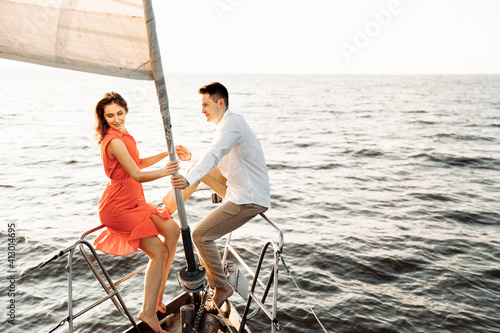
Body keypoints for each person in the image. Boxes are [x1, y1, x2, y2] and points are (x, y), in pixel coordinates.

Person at [169, 82, 270, 312]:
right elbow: (217, 157)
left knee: (200, 235)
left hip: (248, 198)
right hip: (238, 187)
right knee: (195, 169)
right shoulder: (227, 124)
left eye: (205, 104)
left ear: (220, 102)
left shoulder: (232, 123)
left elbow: (215, 154)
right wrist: (192, 157)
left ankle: (221, 287)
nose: (202, 109)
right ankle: (167, 209)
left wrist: (188, 179)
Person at [93, 92, 179, 333]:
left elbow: (137, 162)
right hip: (119, 208)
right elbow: (138, 175)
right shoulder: (114, 141)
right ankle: (148, 311)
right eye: (110, 116)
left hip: (134, 201)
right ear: (103, 117)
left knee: (172, 230)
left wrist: (167, 155)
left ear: (125, 111)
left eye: (119, 113)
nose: (116, 119)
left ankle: (157, 296)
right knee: (158, 253)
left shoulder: (123, 135)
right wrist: (167, 170)